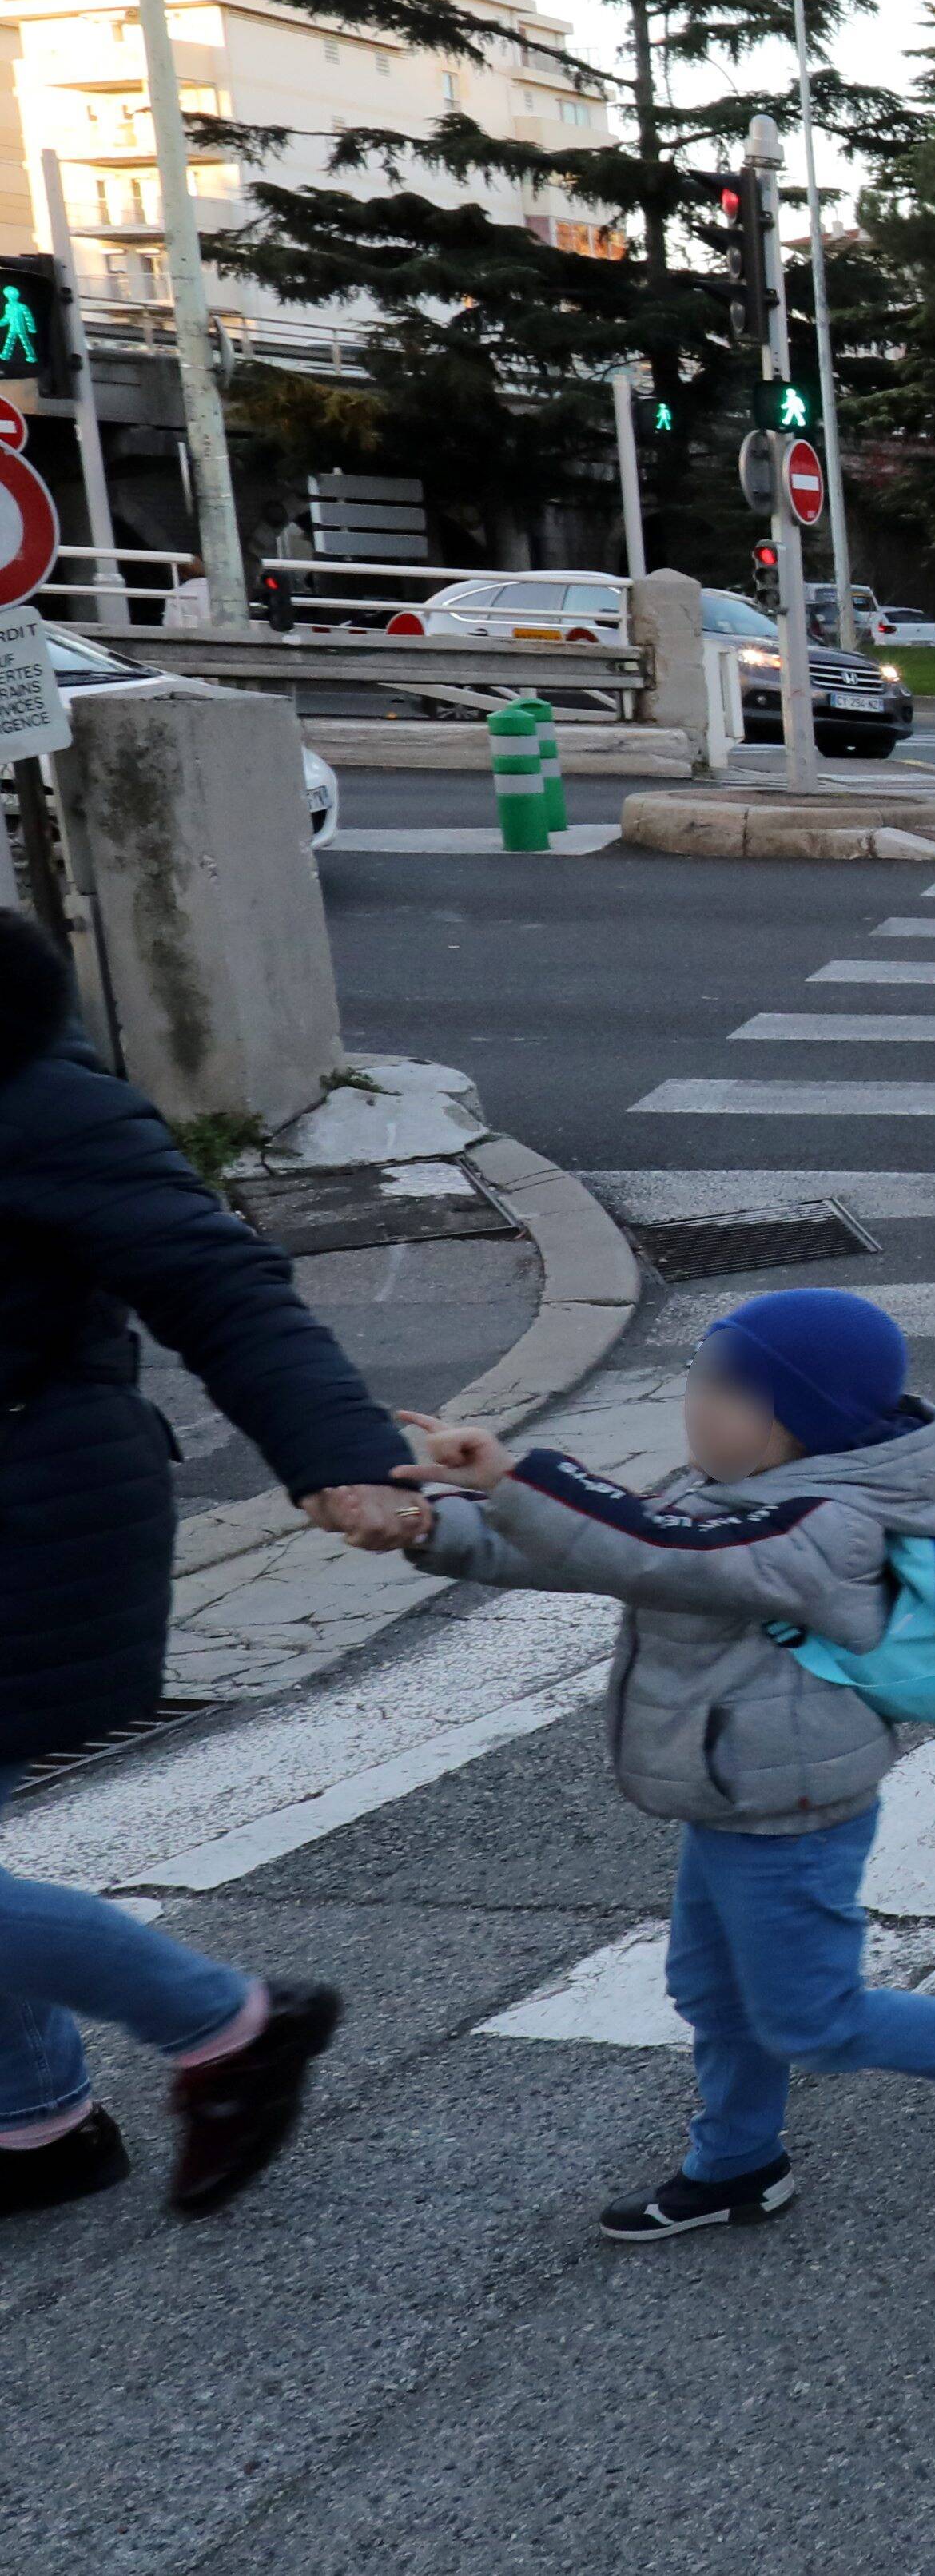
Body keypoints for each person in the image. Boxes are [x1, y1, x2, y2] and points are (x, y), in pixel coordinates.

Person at [316, 1290, 935, 2239]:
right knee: (717, 1995)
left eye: (727, 1387)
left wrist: (514, 1478)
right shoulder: (732, 1493)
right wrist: (436, 1527)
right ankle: (736, 2164)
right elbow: (598, 1554)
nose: (697, 1402)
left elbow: (655, 1555)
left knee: (816, 2020)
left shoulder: (827, 1526)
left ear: (803, 1418)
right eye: (700, 1374)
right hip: (734, 1792)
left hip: (792, 1809)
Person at [0, 916, 361, 2220]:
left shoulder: (39, 1097)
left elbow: (217, 1280)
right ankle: (35, 2127)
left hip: (29, 1510)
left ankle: (225, 2023)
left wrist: (341, 1451)